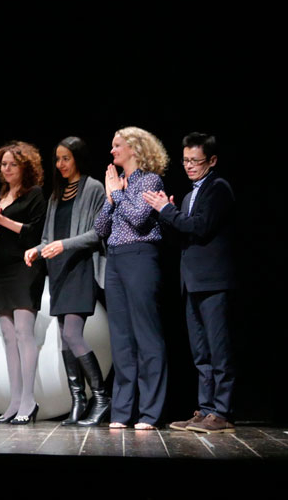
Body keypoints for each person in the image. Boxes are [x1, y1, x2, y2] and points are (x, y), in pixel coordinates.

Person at [144, 132, 236, 434]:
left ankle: (222, 411)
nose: (189, 166)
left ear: (212, 160)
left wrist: (168, 212)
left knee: (218, 349)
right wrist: (168, 216)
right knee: (200, 352)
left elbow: (200, 227)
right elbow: (182, 238)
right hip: (192, 282)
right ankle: (206, 409)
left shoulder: (218, 189)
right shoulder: (187, 195)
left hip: (213, 281)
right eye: (185, 161)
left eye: (195, 161)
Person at [24, 137, 109, 426]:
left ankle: (100, 397)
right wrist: (36, 250)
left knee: (73, 335)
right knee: (65, 341)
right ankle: (78, 400)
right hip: (59, 270)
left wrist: (63, 245)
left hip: (81, 267)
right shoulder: (55, 195)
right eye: (57, 159)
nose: (60, 164)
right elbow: (48, 238)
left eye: (66, 158)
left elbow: (97, 234)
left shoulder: (94, 188)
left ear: (78, 159)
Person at [94, 126, 169, 430]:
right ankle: (122, 412)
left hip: (140, 255)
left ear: (135, 149)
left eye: (117, 145)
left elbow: (139, 218)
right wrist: (111, 197)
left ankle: (150, 413)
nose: (112, 151)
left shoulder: (150, 180)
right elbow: (100, 227)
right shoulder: (117, 183)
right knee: (121, 339)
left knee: (146, 336)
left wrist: (118, 194)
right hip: (114, 260)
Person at [0, 141, 46, 424]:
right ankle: (14, 401)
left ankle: (29, 402)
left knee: (23, 334)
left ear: (24, 167)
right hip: (1, 268)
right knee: (7, 337)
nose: (6, 169)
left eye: (12, 164)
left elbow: (34, 234)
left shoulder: (35, 195)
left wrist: (1, 220)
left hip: (25, 267)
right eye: (3, 164)